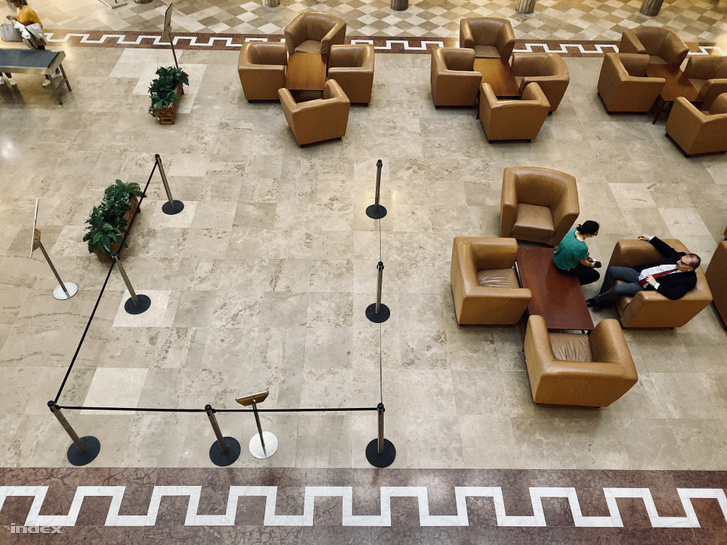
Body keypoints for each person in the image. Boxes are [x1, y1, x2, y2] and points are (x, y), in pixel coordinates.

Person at [586, 234, 701, 308]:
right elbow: (667, 249)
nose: (678, 262)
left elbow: (675, 295)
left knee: (617, 288)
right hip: (639, 273)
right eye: (680, 259)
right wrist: (651, 238)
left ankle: (597, 301)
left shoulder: (688, 280)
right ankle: (604, 300)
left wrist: (655, 284)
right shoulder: (679, 257)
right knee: (612, 270)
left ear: (689, 268)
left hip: (644, 285)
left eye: (681, 263)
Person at [5, 0, 60, 87]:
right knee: (43, 53)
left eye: (14, 2)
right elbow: (21, 18)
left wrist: (26, 28)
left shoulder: (29, 11)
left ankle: (48, 77)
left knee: (42, 55)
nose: (12, 4)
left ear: (18, 1)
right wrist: (13, 17)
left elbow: (39, 24)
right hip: (30, 37)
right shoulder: (19, 9)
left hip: (35, 37)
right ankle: (56, 70)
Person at [553, 220, 601, 286]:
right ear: (589, 234)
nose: (595, 234)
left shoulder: (573, 230)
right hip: (564, 267)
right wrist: (592, 265)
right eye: (595, 234)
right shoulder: (582, 247)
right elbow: (583, 262)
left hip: (557, 257)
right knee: (595, 275)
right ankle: (575, 284)